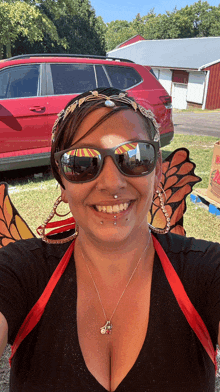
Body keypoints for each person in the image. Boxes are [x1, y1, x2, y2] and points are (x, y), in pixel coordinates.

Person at [0, 87, 219, 392]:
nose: (112, 183)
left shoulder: (206, 271)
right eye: (81, 163)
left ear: (157, 174)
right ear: (62, 182)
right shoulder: (20, 270)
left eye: (135, 157)